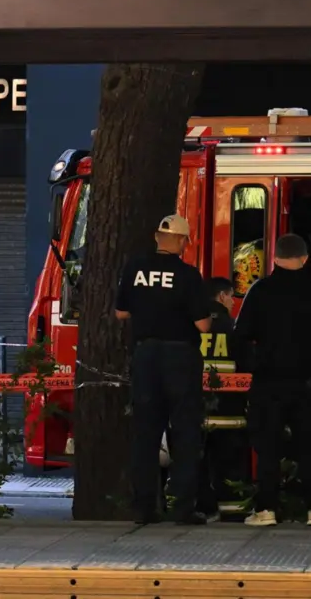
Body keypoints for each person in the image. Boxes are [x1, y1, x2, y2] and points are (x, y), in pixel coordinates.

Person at [234, 233, 311, 528]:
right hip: (305, 382)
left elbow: (240, 335)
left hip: (267, 382)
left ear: (275, 258)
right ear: (304, 259)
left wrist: (255, 363)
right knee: (308, 447)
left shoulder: (260, 290)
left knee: (268, 446)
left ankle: (266, 509)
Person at [114, 214, 211, 526]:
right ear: (182, 241)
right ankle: (182, 507)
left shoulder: (134, 268)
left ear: (157, 237)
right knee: (184, 431)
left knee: (145, 432)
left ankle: (144, 507)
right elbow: (203, 325)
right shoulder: (188, 275)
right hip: (180, 357)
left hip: (145, 355)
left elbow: (121, 312)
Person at [196, 277, 250, 519]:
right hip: (230, 414)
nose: (232, 302)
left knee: (197, 463)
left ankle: (203, 508)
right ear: (220, 297)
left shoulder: (192, 326)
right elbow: (249, 367)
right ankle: (232, 514)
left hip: (195, 414)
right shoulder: (235, 329)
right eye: (230, 296)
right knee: (230, 467)